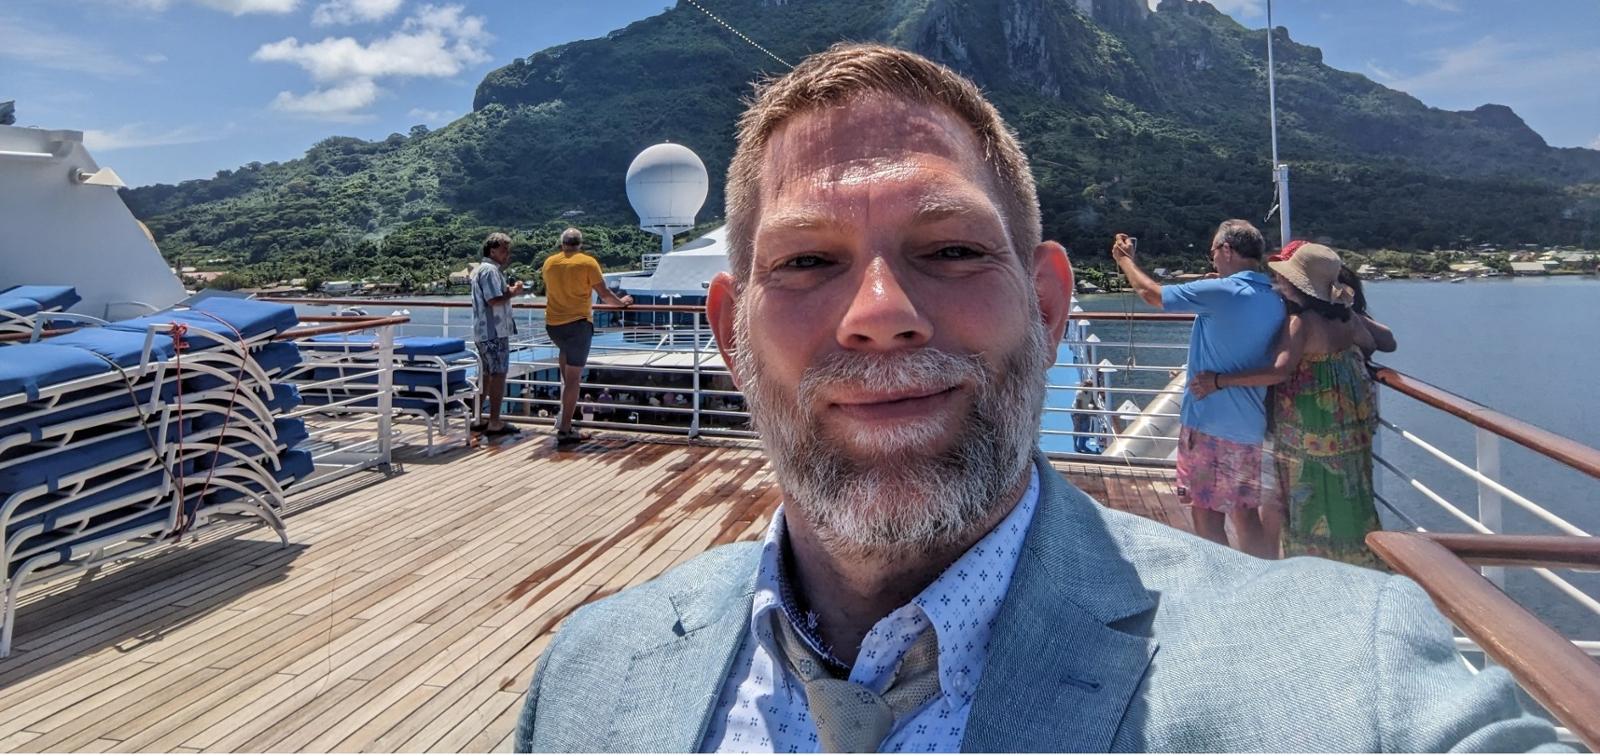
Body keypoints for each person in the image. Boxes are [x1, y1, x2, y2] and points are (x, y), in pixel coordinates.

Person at [516, 43, 1561, 753]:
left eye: (953, 248)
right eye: (805, 263)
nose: (880, 313)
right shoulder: (585, 683)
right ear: (728, 337)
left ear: (1050, 304)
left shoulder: (1354, 678)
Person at [1194, 244, 1388, 569]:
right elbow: (1379, 343)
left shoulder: (1300, 323)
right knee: (1347, 494)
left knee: (1306, 500)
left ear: (1297, 285)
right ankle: (1356, 564)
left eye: (1284, 279)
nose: (1280, 283)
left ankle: (1308, 569)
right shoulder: (1345, 320)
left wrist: (1218, 381)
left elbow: (1279, 370)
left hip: (1307, 427)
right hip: (1345, 429)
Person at [1111, 221, 1285, 558]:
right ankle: (1261, 578)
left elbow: (1152, 294)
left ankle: (1217, 580)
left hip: (1209, 422)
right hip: (1248, 425)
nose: (1213, 262)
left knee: (1205, 512)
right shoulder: (1274, 296)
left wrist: (1125, 261)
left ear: (1227, 250)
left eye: (1213, 254)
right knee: (1244, 512)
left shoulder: (1224, 293)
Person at [541, 227, 633, 444]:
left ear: (562, 243)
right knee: (573, 381)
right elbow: (604, 294)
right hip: (577, 326)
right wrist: (623, 304)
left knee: (566, 375)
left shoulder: (549, 263)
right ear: (580, 243)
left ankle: (565, 422)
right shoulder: (587, 263)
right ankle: (565, 430)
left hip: (554, 325)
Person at [471, 232, 522, 436]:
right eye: (503, 250)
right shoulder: (491, 271)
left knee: (485, 376)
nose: (506, 254)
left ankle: (477, 418)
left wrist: (507, 291)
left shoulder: (481, 270)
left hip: (482, 332)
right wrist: (513, 292)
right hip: (494, 332)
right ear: (492, 250)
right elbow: (494, 300)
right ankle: (494, 421)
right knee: (498, 374)